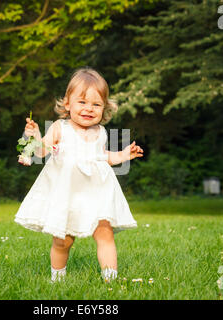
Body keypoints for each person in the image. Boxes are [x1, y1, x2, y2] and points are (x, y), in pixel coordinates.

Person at [14, 67, 144, 283]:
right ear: (68, 104)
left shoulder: (100, 132)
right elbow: (40, 151)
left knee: (105, 233)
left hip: (96, 193)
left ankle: (110, 280)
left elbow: (104, 157)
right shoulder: (60, 128)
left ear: (104, 108)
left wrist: (124, 155)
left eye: (96, 104)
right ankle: (58, 278)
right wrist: (34, 134)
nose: (88, 109)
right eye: (82, 102)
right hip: (68, 195)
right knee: (63, 241)